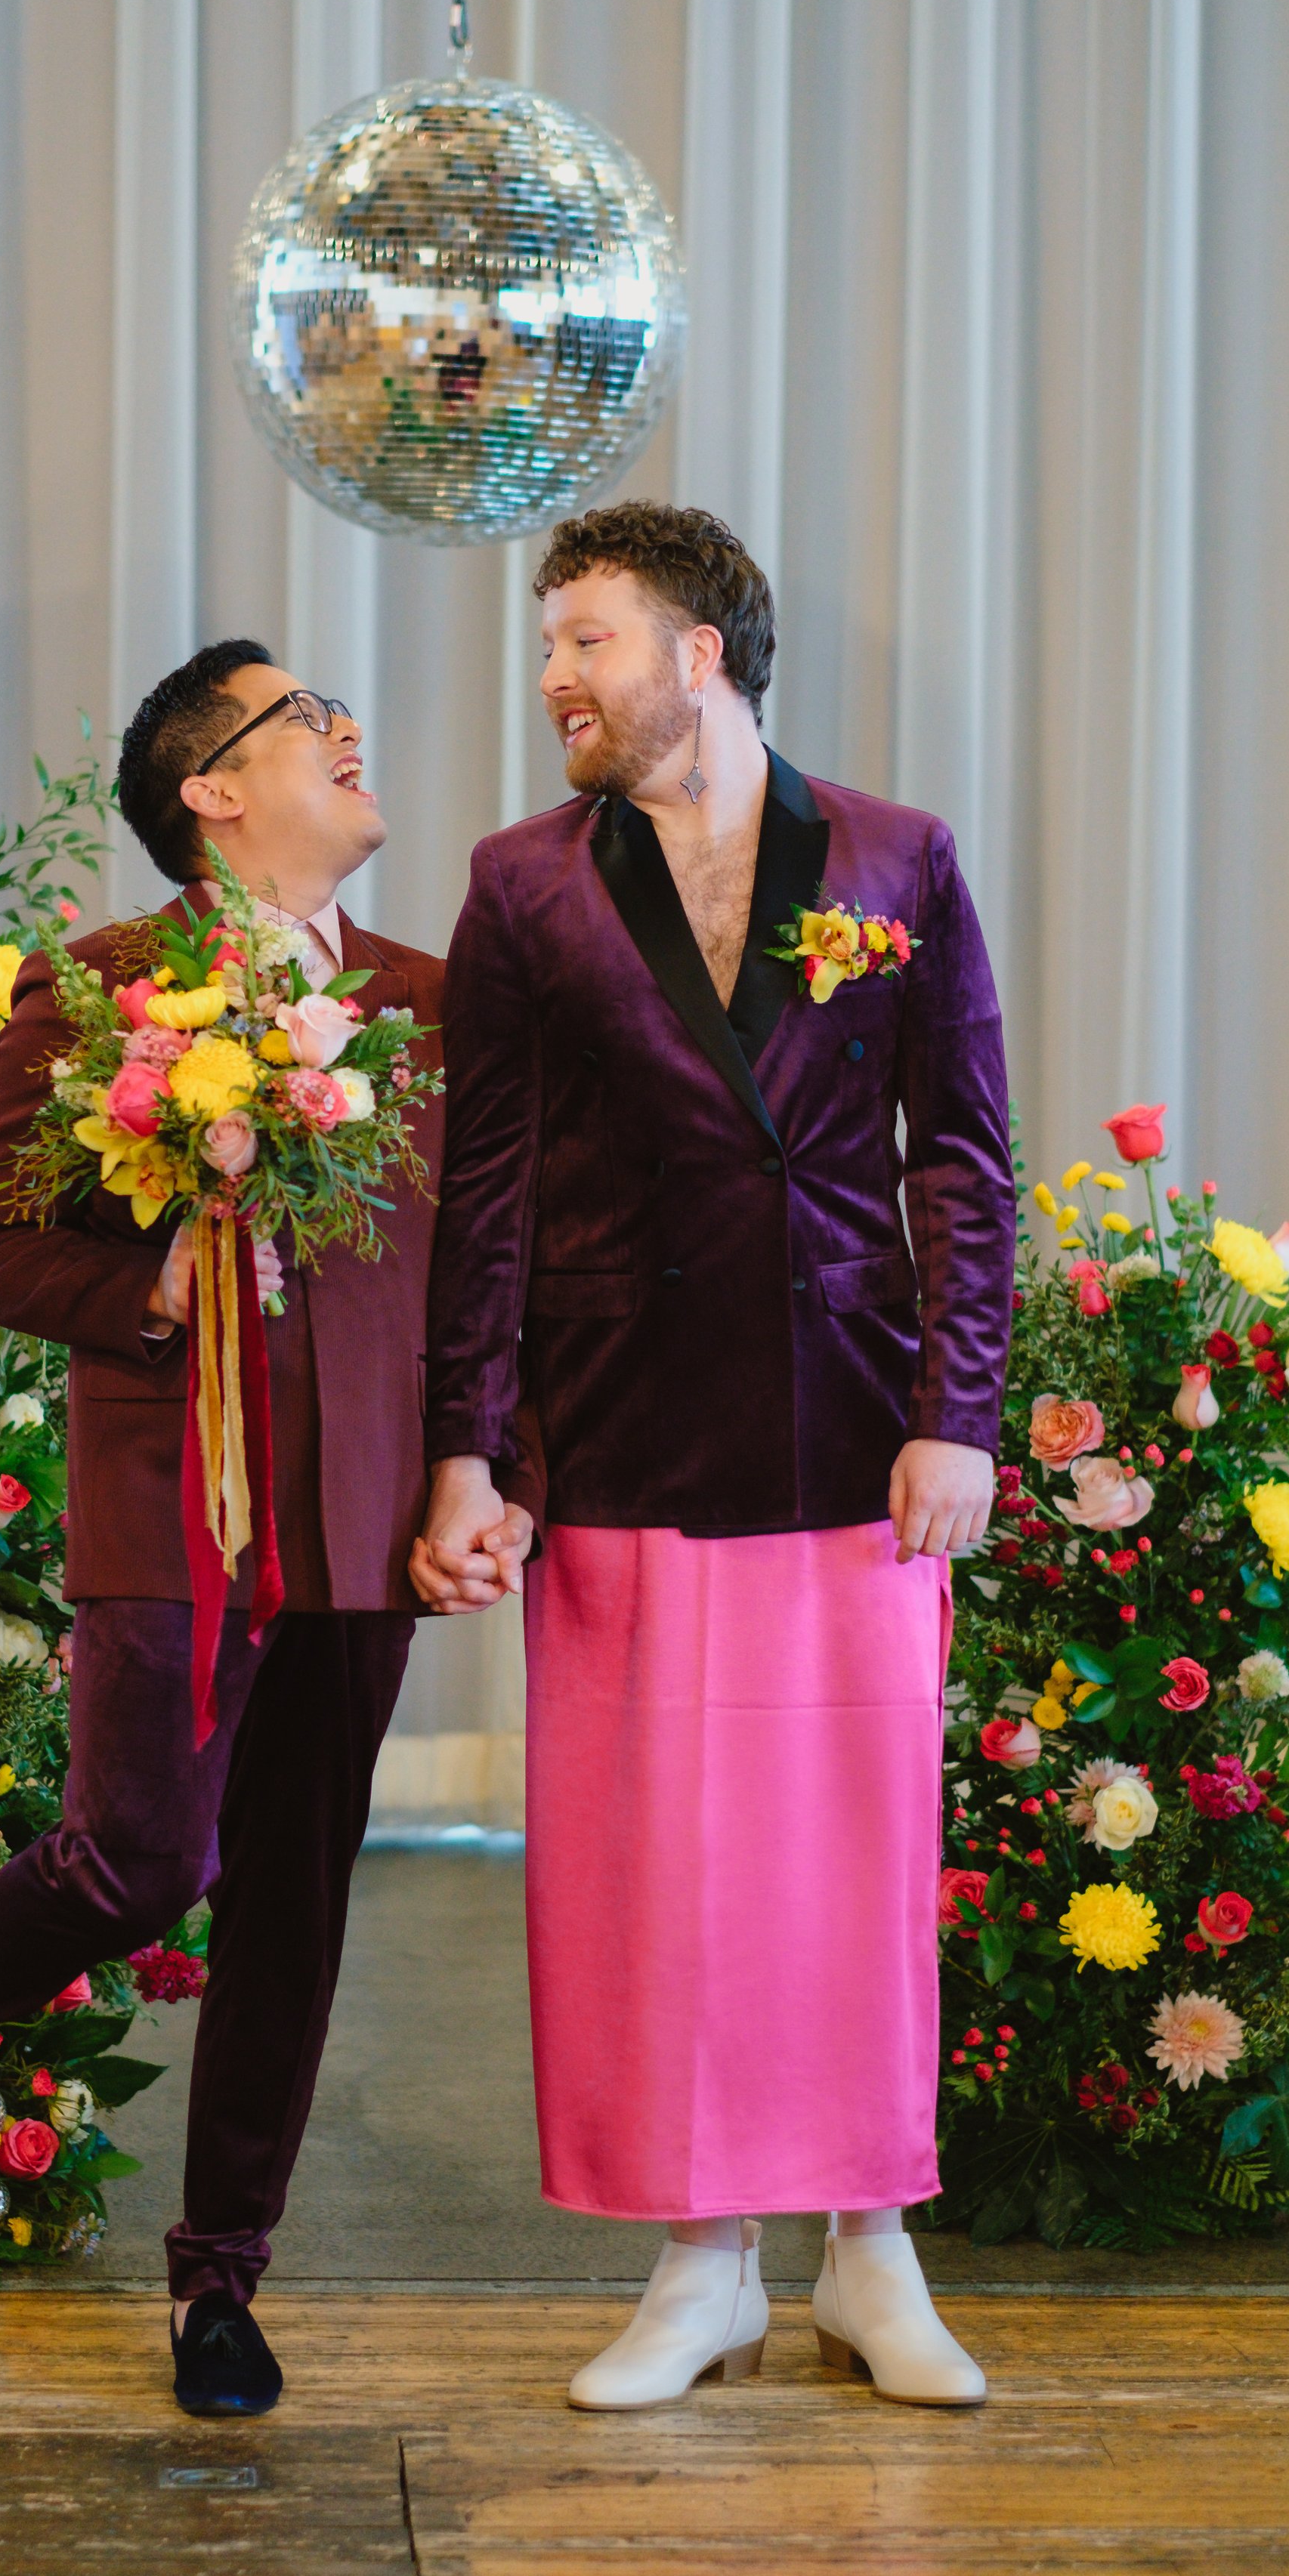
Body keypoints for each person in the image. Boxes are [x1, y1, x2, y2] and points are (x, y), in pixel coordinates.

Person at [0, 642, 500, 2417]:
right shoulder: (98, 987)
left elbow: (477, 1286)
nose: (351, 730)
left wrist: (476, 1467)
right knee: (141, 1858)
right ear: (208, 790)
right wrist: (160, 1290)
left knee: (290, 1899)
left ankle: (221, 2284)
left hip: (360, 1522)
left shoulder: (433, 1005)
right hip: (169, 1502)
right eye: (307, 718)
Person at [413, 502, 1015, 2411]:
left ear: (697, 656)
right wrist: (466, 1453)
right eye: (547, 642)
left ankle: (869, 2253)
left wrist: (961, 1411)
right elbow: (481, 1195)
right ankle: (699, 2263)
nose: (553, 678)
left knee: (847, 1846)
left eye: (584, 638)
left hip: (850, 1418)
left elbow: (962, 1158)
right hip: (615, 1429)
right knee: (647, 1858)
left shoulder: (899, 856)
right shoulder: (521, 882)